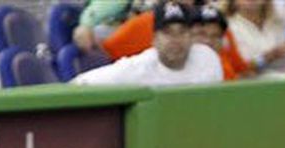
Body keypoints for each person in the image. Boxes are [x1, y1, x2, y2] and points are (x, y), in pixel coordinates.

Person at [73, 1, 223, 87]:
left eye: (182, 32)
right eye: (168, 33)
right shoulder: (136, 68)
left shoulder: (207, 57)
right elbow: (80, 84)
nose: (175, 40)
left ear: (191, 37)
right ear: (154, 39)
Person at [224, 0, 285, 75]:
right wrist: (267, 57)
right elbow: (238, 68)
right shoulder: (227, 28)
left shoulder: (279, 21)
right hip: (253, 81)